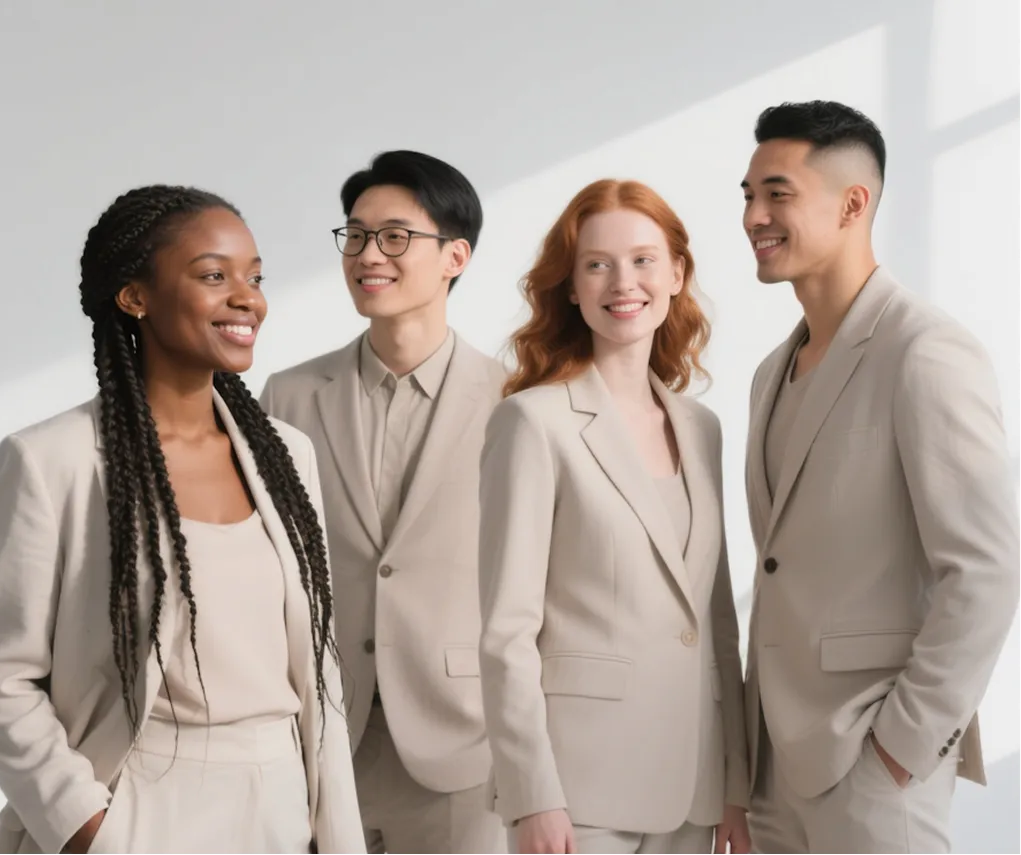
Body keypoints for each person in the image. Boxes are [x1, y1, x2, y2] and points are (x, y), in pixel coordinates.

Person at [0, 186, 365, 855]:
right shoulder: (51, 460)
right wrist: (87, 828)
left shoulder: (286, 457)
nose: (247, 297)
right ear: (135, 297)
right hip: (140, 804)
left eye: (253, 276)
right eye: (214, 275)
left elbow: (318, 671)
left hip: (279, 804)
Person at [739, 100, 1021, 854]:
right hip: (771, 767)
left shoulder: (924, 351)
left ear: (852, 203)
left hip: (870, 761)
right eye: (746, 195)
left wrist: (901, 747)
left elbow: (986, 569)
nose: (752, 215)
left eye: (776, 193)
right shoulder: (770, 372)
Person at [477, 178, 752, 855]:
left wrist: (736, 784)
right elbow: (506, 631)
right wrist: (531, 794)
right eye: (595, 263)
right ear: (569, 286)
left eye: (642, 259)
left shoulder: (701, 428)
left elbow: (714, 622)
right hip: (578, 793)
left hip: (693, 785)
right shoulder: (532, 421)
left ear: (676, 273)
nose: (621, 281)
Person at [260, 151, 507, 855]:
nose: (369, 254)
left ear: (455, 255)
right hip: (322, 734)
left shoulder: (515, 402)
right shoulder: (289, 396)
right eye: (356, 234)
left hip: (464, 740)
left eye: (395, 236)